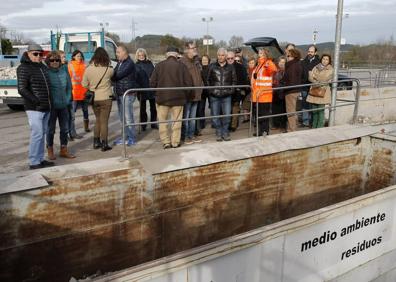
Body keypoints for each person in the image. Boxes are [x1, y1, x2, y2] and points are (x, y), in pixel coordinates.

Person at [17, 44, 55, 169]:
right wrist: (36, 101)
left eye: (41, 54)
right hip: (34, 108)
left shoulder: (42, 67)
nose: (39, 56)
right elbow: (22, 89)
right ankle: (34, 162)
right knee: (37, 134)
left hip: (46, 106)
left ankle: (40, 159)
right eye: (35, 54)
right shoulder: (24, 68)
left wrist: (49, 102)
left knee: (42, 134)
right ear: (28, 54)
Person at [150, 46, 193, 149]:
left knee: (162, 121)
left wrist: (157, 93)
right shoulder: (182, 66)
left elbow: (152, 83)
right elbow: (189, 84)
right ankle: (175, 142)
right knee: (177, 121)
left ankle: (166, 142)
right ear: (177, 55)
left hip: (162, 99)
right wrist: (184, 95)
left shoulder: (159, 66)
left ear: (167, 54)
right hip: (178, 99)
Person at [82, 47, 114, 151]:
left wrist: (92, 87)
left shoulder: (88, 69)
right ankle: (104, 144)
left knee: (98, 120)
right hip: (106, 98)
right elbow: (113, 79)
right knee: (104, 121)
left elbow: (84, 84)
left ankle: (96, 142)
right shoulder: (109, 69)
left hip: (94, 99)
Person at [45, 51, 76, 160]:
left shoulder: (64, 70)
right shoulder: (46, 72)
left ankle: (64, 149)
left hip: (63, 106)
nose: (55, 62)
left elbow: (69, 86)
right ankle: (50, 149)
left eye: (57, 60)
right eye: (52, 60)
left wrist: (67, 99)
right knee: (50, 130)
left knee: (65, 129)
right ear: (48, 61)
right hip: (52, 107)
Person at [207, 47, 237, 141]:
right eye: (219, 55)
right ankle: (219, 132)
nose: (220, 57)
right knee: (215, 117)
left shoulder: (231, 67)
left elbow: (234, 81)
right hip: (214, 96)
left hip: (226, 96)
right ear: (217, 55)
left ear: (226, 56)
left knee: (227, 116)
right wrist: (211, 91)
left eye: (222, 55)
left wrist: (231, 91)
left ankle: (225, 132)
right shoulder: (212, 66)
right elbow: (207, 80)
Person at [111, 45, 138, 146]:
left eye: (118, 52)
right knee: (122, 117)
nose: (116, 54)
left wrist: (113, 75)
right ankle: (125, 136)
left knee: (128, 117)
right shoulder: (120, 62)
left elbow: (117, 75)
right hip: (119, 93)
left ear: (124, 52)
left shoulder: (129, 63)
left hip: (127, 94)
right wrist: (113, 75)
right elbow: (114, 76)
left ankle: (131, 138)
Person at [180, 41, 204, 145]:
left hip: (197, 94)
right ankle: (185, 137)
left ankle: (191, 135)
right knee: (186, 117)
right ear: (187, 50)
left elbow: (199, 76)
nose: (195, 49)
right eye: (192, 48)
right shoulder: (182, 62)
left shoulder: (196, 61)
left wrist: (201, 86)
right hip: (188, 95)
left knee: (193, 118)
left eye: (195, 47)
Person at [251, 48, 278, 136]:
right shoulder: (259, 64)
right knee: (258, 114)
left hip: (265, 95)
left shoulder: (267, 63)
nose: (260, 53)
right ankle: (260, 131)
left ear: (266, 53)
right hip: (257, 94)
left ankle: (265, 131)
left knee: (264, 115)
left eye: (262, 52)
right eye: (259, 52)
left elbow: (274, 69)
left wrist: (268, 62)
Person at [307, 54, 334, 128]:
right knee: (314, 111)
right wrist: (314, 78)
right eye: (323, 59)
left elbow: (324, 78)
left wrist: (315, 77)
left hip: (323, 92)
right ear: (321, 59)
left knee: (320, 111)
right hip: (314, 90)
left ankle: (319, 127)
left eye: (326, 59)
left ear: (329, 61)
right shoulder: (316, 67)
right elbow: (310, 77)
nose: (324, 61)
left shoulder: (330, 69)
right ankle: (314, 126)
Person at [68, 50, 90, 138]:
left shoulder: (84, 65)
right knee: (72, 115)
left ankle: (86, 127)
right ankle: (72, 132)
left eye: (80, 56)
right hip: (74, 93)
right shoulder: (70, 66)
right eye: (77, 56)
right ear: (73, 57)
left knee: (86, 111)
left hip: (84, 92)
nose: (79, 57)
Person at [135, 48, 157, 131]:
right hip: (142, 88)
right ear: (137, 56)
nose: (141, 56)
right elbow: (135, 77)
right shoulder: (136, 65)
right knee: (142, 109)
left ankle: (153, 123)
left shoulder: (150, 63)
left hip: (151, 88)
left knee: (153, 108)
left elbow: (154, 73)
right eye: (139, 55)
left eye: (142, 55)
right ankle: (143, 124)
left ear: (145, 55)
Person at [227, 51, 249, 131]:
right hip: (226, 93)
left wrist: (241, 90)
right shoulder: (224, 66)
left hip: (237, 92)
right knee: (227, 110)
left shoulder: (240, 67)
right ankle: (228, 124)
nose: (230, 60)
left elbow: (244, 79)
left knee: (235, 109)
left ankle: (233, 126)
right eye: (228, 58)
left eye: (231, 58)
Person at [282, 48, 303, 132]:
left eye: (288, 56)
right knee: (293, 110)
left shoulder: (292, 66)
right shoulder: (297, 64)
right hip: (295, 90)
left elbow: (292, 80)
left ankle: (291, 129)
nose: (287, 57)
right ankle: (293, 127)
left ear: (293, 56)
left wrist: (283, 85)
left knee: (290, 111)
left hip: (291, 91)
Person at [301, 45, 320, 127]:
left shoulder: (319, 62)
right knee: (304, 104)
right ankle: (305, 122)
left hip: (314, 86)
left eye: (312, 52)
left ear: (315, 53)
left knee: (312, 104)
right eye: (309, 51)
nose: (310, 53)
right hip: (304, 86)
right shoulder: (303, 61)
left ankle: (312, 121)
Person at [195, 54, 211, 136]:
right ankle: (202, 123)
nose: (204, 61)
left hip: (210, 91)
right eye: (203, 59)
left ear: (208, 60)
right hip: (202, 91)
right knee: (201, 108)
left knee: (212, 107)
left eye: (206, 59)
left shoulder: (211, 68)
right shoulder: (199, 68)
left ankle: (214, 122)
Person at [272, 56, 287, 131]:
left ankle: (283, 125)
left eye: (284, 62)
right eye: (281, 62)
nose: (282, 64)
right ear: (278, 63)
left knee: (283, 109)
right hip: (275, 93)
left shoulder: (287, 71)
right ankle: (275, 124)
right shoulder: (275, 71)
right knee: (275, 109)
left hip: (283, 93)